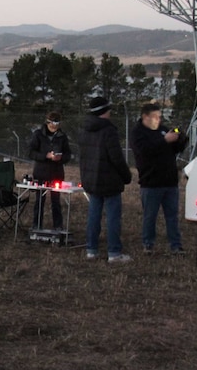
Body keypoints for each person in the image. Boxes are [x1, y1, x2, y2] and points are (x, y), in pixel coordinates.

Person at [78, 96, 133, 263]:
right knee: (113, 217)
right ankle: (114, 252)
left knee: (94, 215)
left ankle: (91, 250)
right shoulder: (108, 130)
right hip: (109, 181)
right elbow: (116, 157)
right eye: (108, 109)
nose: (110, 112)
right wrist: (126, 176)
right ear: (103, 111)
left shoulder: (85, 129)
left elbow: (83, 157)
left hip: (92, 181)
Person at [130, 102, 188, 256]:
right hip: (151, 182)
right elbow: (144, 151)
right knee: (150, 216)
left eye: (160, 117)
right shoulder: (138, 133)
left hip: (169, 181)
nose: (158, 120)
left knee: (172, 216)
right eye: (155, 117)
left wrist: (181, 140)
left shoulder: (163, 130)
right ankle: (148, 244)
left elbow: (174, 150)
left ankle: (176, 245)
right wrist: (164, 141)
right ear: (145, 117)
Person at [27, 111, 72, 230]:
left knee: (56, 202)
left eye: (57, 123)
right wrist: (45, 156)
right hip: (41, 173)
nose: (54, 126)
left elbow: (68, 154)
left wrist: (60, 158)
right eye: (52, 123)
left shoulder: (62, 136)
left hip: (57, 173)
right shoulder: (38, 135)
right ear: (47, 123)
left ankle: (58, 226)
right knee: (39, 201)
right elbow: (31, 153)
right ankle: (36, 225)